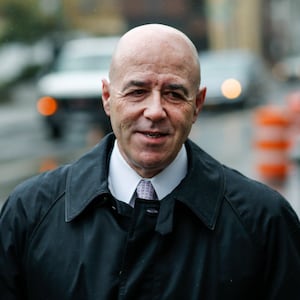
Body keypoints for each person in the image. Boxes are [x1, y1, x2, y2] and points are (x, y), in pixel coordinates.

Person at [0, 24, 300, 300]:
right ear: (107, 98)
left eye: (173, 94)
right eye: (137, 91)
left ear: (197, 105)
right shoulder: (29, 213)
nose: (155, 111)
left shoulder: (263, 221)